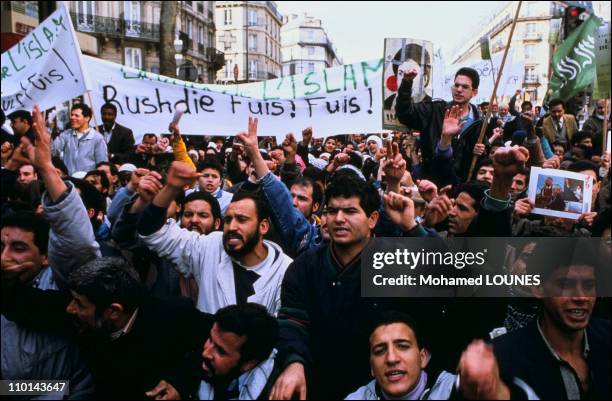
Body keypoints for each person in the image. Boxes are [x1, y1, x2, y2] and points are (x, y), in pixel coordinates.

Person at [137, 160, 293, 314]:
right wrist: (171, 188)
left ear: (263, 226)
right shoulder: (209, 247)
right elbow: (152, 233)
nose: (232, 227)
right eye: (228, 220)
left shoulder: (286, 271)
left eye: (242, 219)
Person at [493, 239, 611, 399]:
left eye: (589, 286)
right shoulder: (503, 358)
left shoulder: (607, 337)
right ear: (538, 288)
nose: (581, 297)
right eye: (565, 285)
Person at [346, 311, 536, 400]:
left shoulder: (458, 391)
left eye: (402, 346)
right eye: (380, 351)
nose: (392, 358)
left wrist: (495, 393)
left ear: (422, 358)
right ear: (371, 367)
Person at [147, 303, 281, 400]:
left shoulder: (275, 391)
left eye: (220, 351)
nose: (206, 353)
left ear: (249, 363)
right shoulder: (207, 365)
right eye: (210, 339)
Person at [396, 66, 485, 181]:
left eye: (465, 87)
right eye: (456, 85)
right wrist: (406, 84)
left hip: (460, 184)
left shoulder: (479, 121)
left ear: (474, 92)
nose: (459, 89)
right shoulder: (435, 109)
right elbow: (405, 114)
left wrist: (481, 150)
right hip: (431, 179)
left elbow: (483, 156)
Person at [52, 104, 108, 175]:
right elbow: (52, 151)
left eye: (76, 115)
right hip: (68, 179)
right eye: (72, 115)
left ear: (87, 118)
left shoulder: (97, 138)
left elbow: (102, 164)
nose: (72, 117)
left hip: (87, 181)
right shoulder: (66, 135)